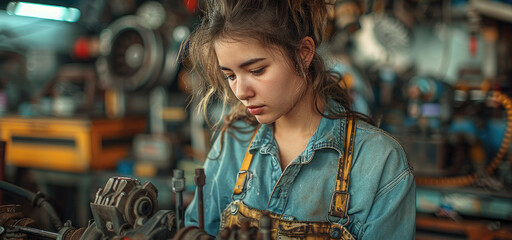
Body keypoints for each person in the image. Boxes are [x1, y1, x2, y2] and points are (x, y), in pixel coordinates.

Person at [182, 0, 416, 239]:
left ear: (303, 53)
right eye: (230, 75)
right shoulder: (234, 140)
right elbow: (197, 230)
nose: (241, 92)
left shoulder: (378, 162)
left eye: (256, 71)